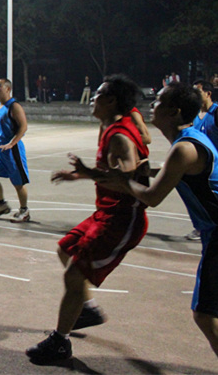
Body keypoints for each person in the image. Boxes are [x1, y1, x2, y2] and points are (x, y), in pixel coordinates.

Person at [79, 82, 218, 358]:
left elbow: (152, 197)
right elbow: (181, 171)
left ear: (174, 112)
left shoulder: (183, 149)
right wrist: (151, 170)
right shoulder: (190, 139)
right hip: (211, 232)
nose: (152, 105)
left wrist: (123, 181)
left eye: (159, 101)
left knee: (204, 314)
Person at [26, 74, 150, 364]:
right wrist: (79, 175)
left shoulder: (120, 136)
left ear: (111, 101)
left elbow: (129, 178)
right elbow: (113, 172)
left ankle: (60, 343)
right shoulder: (109, 128)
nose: (93, 98)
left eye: (98, 94)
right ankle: (87, 309)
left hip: (122, 219)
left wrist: (89, 172)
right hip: (105, 212)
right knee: (65, 249)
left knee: (74, 273)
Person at [0, 79, 32, 222]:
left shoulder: (14, 106)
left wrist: (12, 143)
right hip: (0, 149)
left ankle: (24, 210)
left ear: (7, 89)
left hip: (13, 150)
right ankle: (2, 204)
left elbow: (23, 127)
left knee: (18, 183)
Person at [185, 80, 218, 241]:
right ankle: (201, 228)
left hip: (215, 166)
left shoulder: (216, 113)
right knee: (200, 199)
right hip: (203, 167)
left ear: (208, 93)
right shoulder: (195, 115)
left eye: (197, 92)